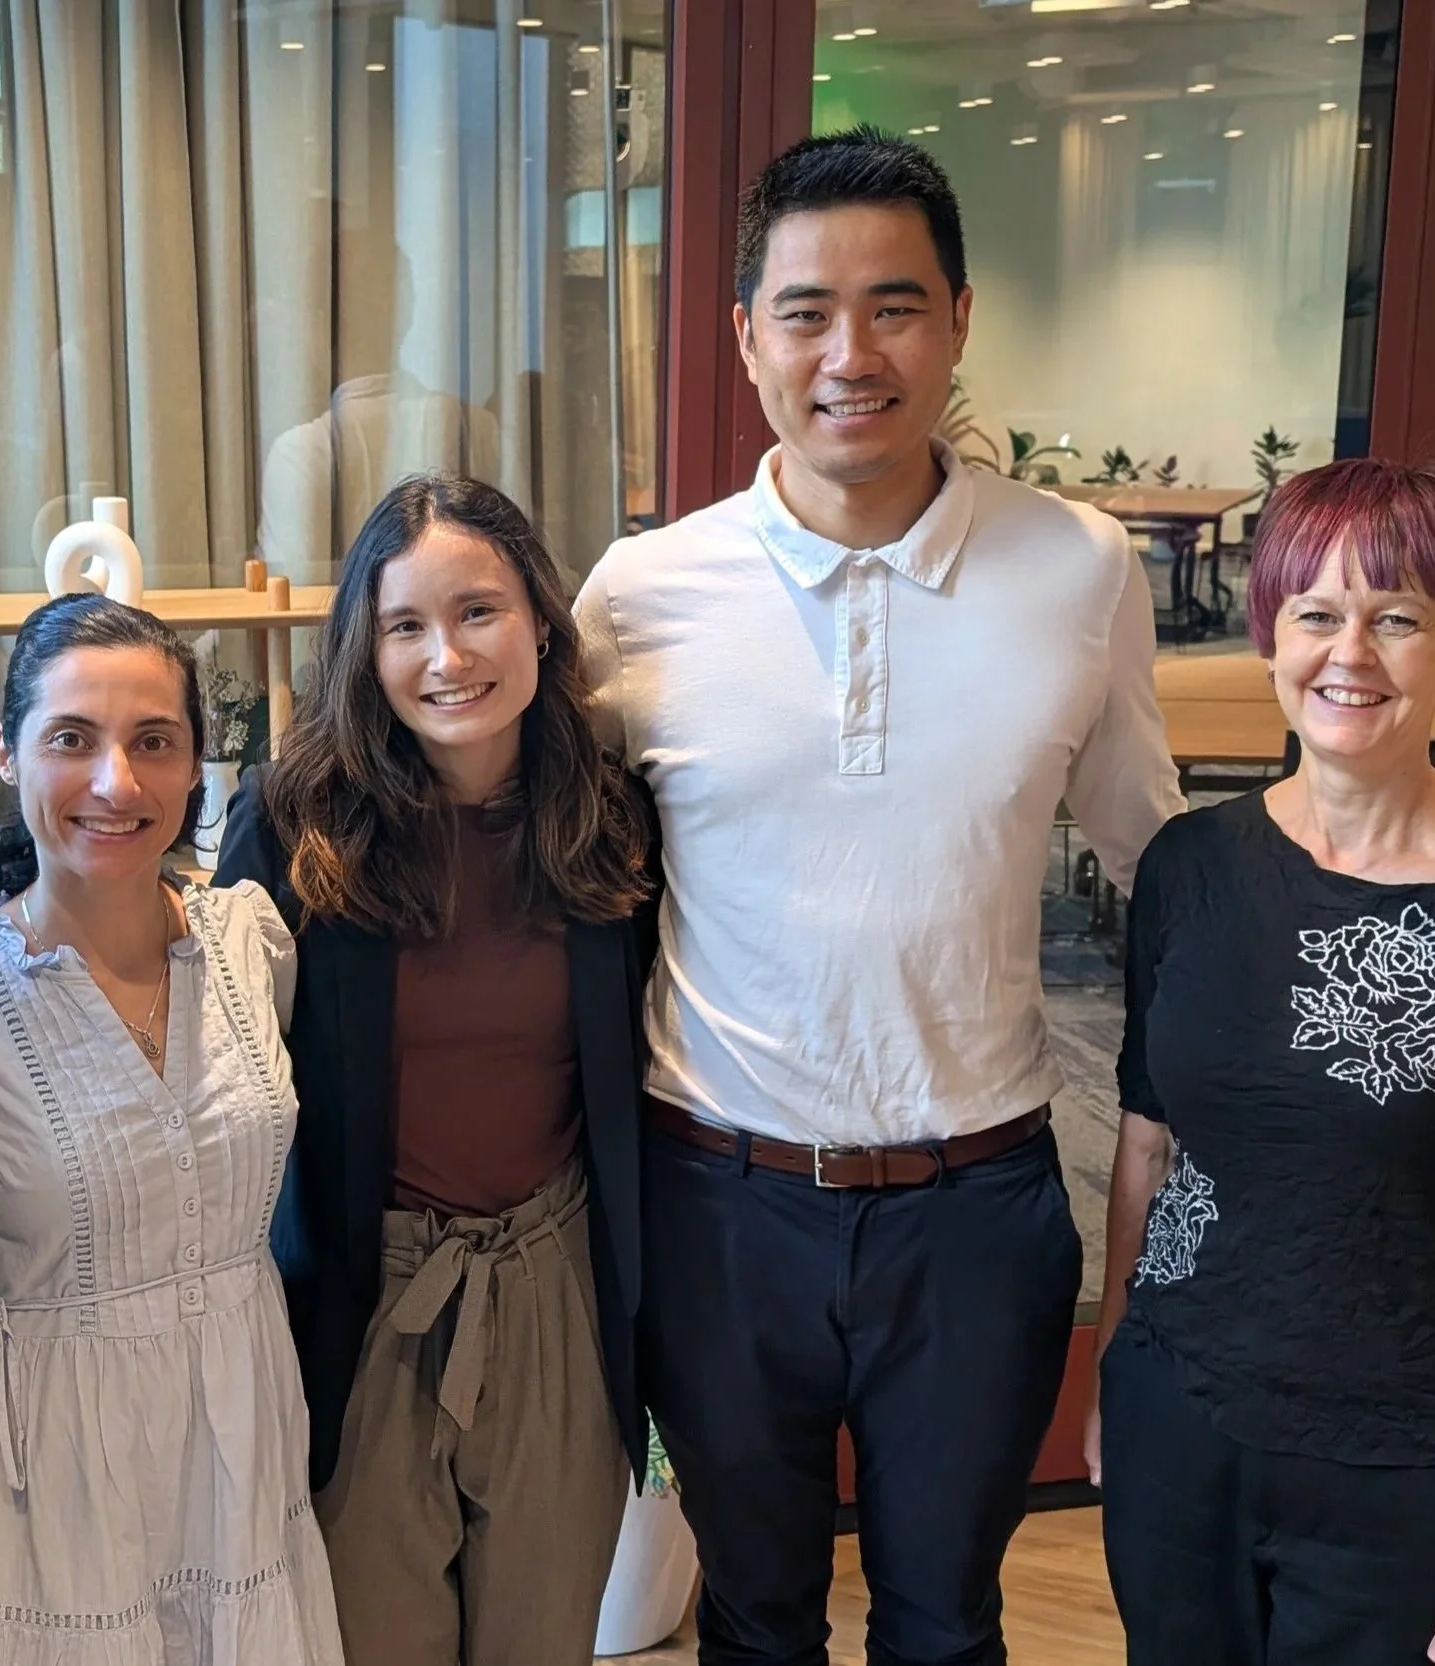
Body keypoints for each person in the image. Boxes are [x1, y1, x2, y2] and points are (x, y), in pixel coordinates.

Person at [0, 474, 658, 1666]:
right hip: (359, 1293)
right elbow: (147, 987)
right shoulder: (303, 826)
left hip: (555, 1282)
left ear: (542, 621)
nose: (445, 655)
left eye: (479, 611)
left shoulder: (611, 818)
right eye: (403, 625)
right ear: (364, 647)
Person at [571, 127, 1183, 1663]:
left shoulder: (1079, 568)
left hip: (977, 1206)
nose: (852, 353)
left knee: (943, 1616)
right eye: (807, 310)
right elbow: (532, 866)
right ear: (745, 337)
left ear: (961, 319)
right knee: (757, 1617)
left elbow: (1162, 863)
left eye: (896, 305)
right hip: (716, 1196)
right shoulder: (642, 592)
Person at [1088, 459, 1435, 1666]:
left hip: (1415, 1468)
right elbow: (1145, 1134)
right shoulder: (1187, 867)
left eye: (1396, 618)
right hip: (1177, 1433)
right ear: (1269, 633)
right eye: (1315, 614)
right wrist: (1113, 1363)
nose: (1350, 653)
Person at [0, 594, 343, 1663]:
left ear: (194, 765)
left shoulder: (250, 939)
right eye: (71, 739)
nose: (116, 783)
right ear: (5, 750)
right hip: (57, 1470)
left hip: (242, 1429)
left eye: (154, 742)